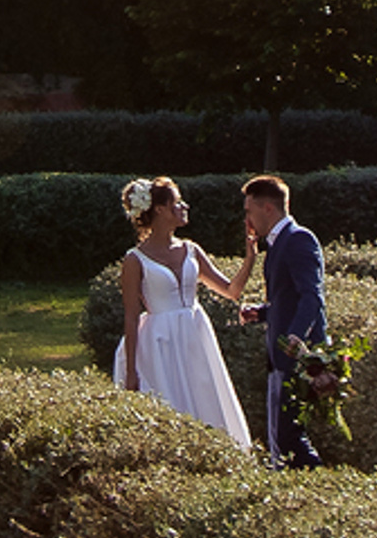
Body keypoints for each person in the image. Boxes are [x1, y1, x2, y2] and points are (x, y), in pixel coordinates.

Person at [111, 175, 253, 448]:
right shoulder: (134, 260)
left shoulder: (191, 250)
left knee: (205, 394)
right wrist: (131, 371)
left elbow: (231, 291)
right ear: (160, 209)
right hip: (159, 341)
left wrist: (250, 258)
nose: (184, 206)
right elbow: (130, 315)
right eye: (177, 202)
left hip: (194, 334)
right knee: (171, 401)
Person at [238, 171, 327, 468]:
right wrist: (261, 312)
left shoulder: (299, 239)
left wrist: (295, 336)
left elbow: (311, 297)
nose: (247, 220)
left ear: (268, 208)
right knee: (282, 436)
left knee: (289, 437)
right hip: (281, 354)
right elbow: (286, 297)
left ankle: (318, 485)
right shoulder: (278, 244)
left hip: (296, 355)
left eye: (249, 210)